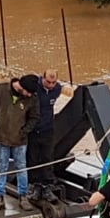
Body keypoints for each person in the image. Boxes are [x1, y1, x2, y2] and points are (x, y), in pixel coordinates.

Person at [0, 74, 40, 212]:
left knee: (21, 167)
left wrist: (24, 131)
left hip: (20, 141)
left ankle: (23, 197)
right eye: (28, 92)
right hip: (1, 138)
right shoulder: (0, 90)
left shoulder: (32, 99)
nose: (29, 95)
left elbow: (35, 117)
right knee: (1, 167)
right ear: (22, 87)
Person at [26, 69, 64, 199]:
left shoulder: (57, 90)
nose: (51, 85)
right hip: (33, 130)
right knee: (33, 158)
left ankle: (47, 186)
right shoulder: (34, 88)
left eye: (53, 82)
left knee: (47, 158)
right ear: (42, 78)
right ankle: (35, 185)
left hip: (47, 130)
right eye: (48, 82)